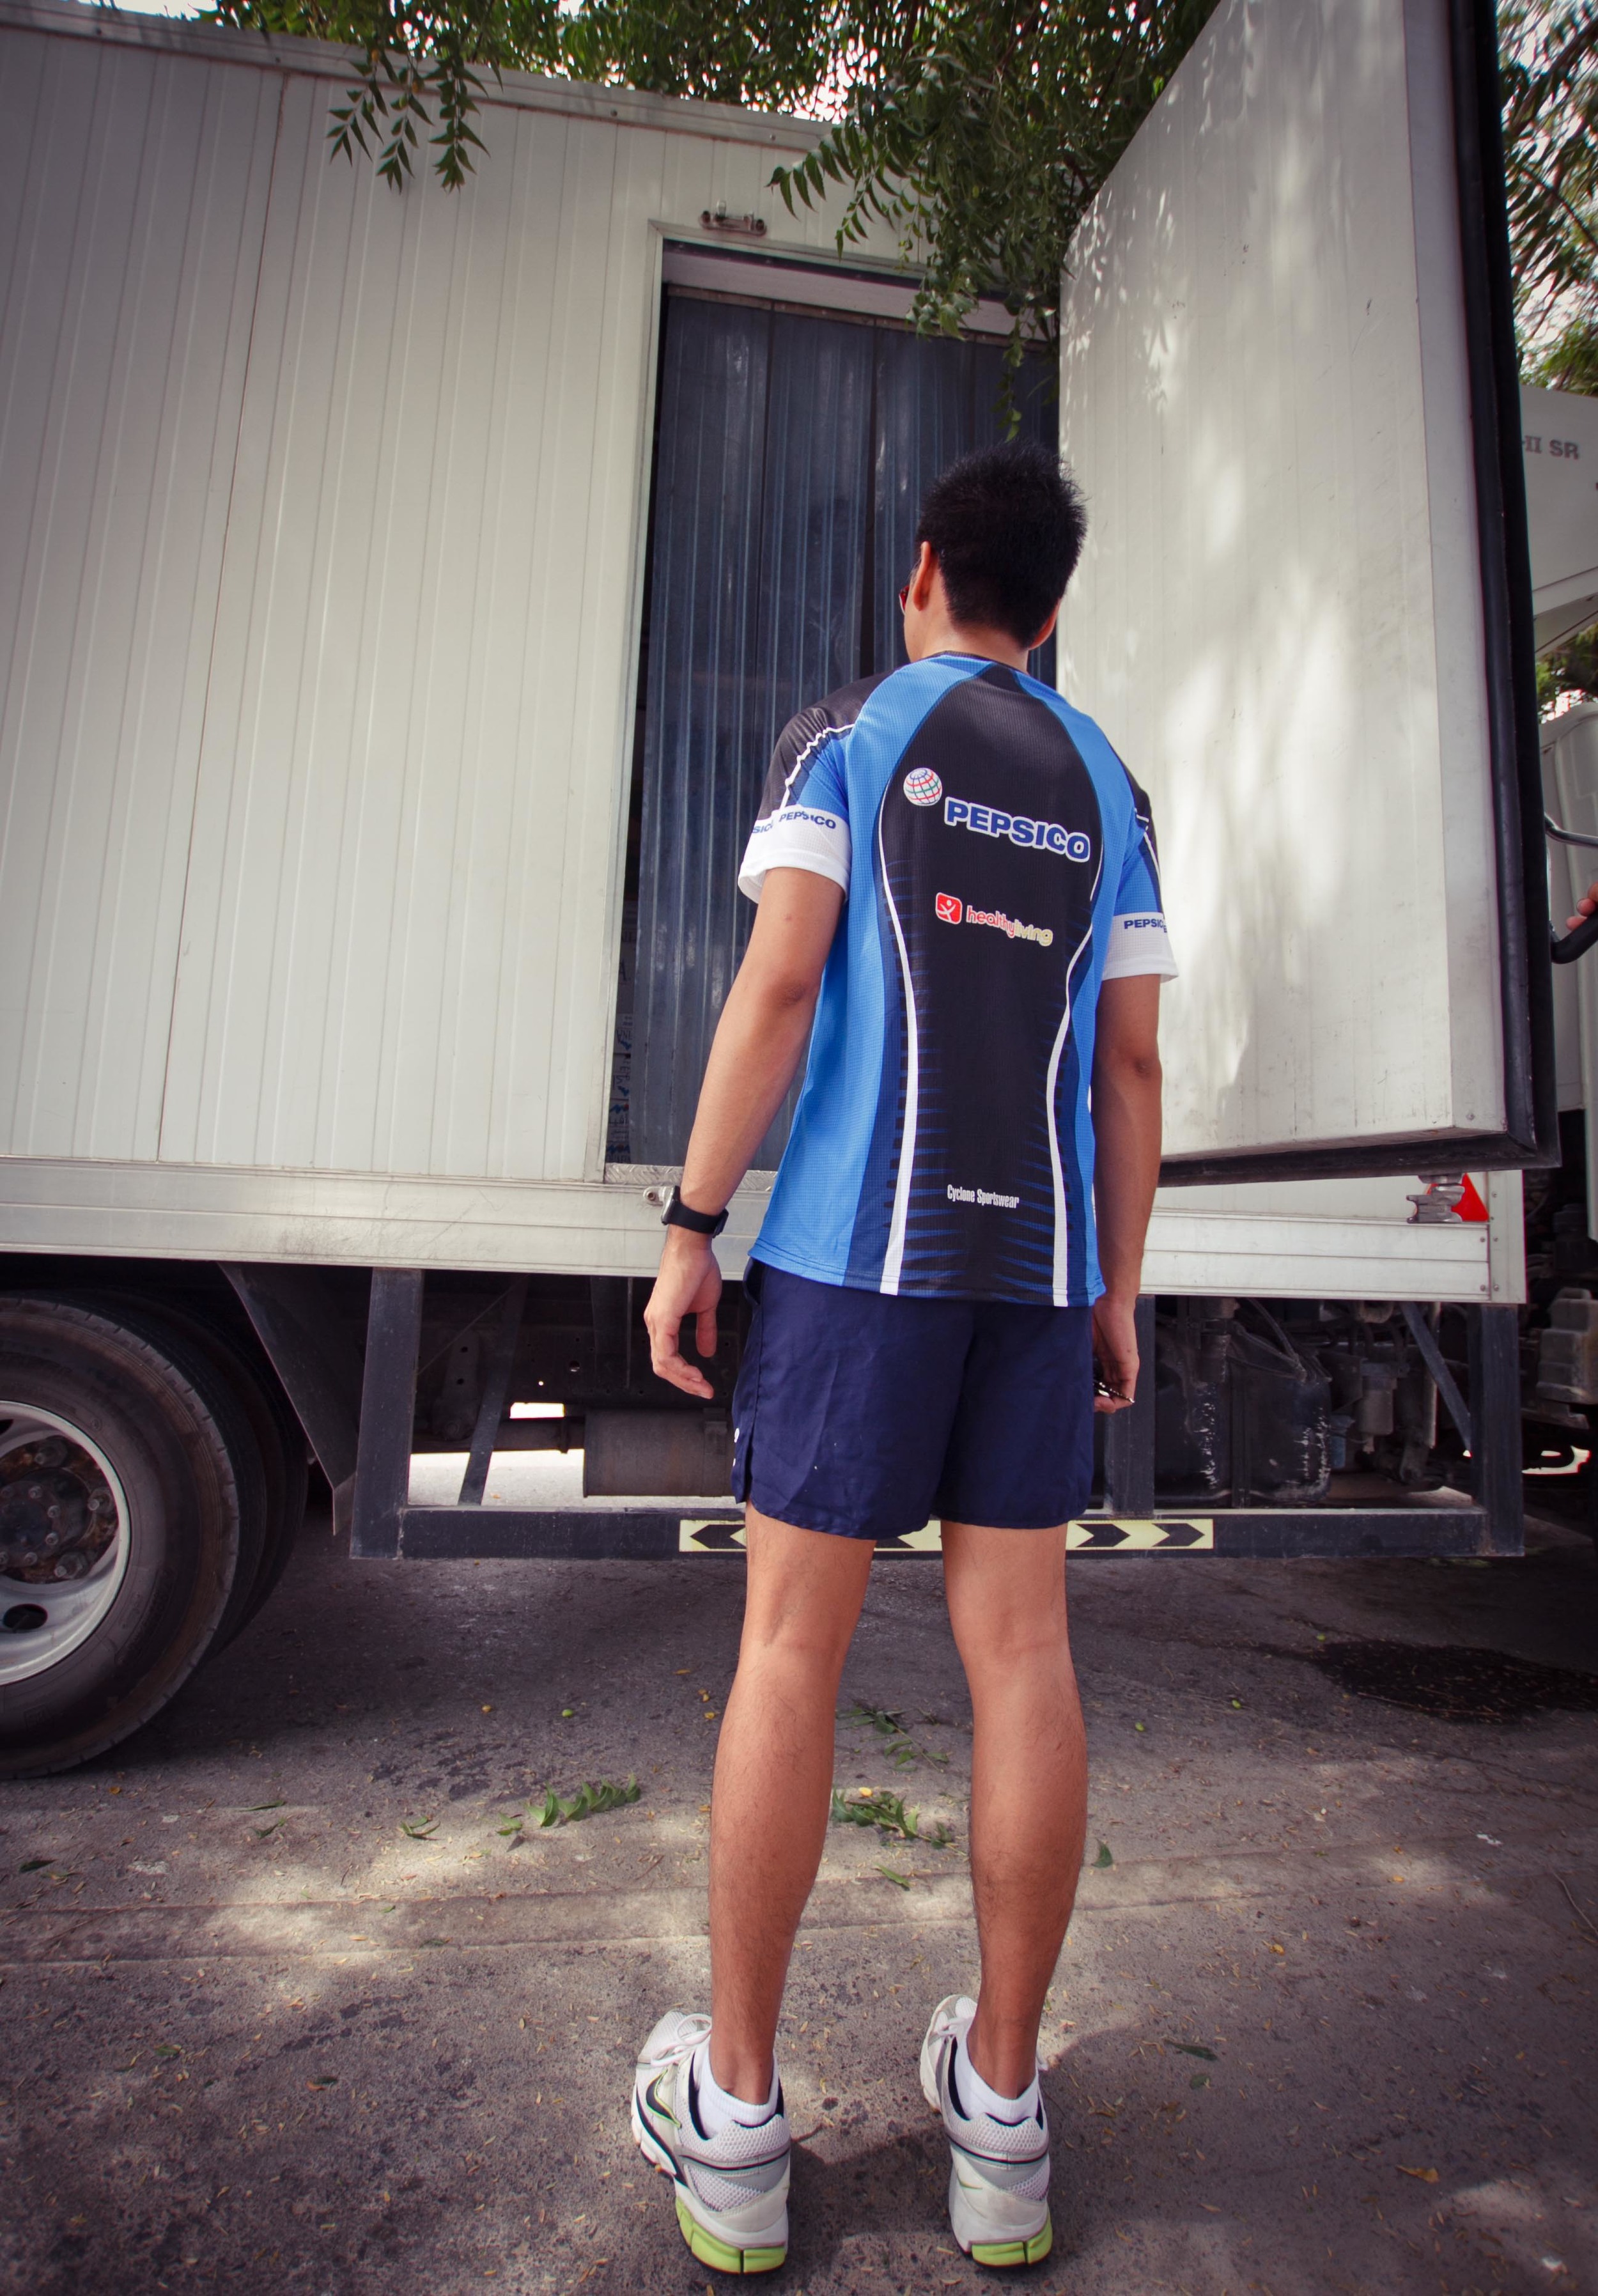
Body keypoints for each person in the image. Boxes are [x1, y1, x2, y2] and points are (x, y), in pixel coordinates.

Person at [630, 440, 1175, 2274]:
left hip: (856, 1264)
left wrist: (693, 1220)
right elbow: (1129, 1073)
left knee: (789, 1648)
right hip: (1031, 1275)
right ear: (1055, 605)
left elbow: (779, 987)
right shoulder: (1112, 784)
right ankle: (1002, 2124)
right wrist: (1111, 1287)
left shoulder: (848, 735)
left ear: (925, 569)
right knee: (1023, 1659)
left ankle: (735, 2128)